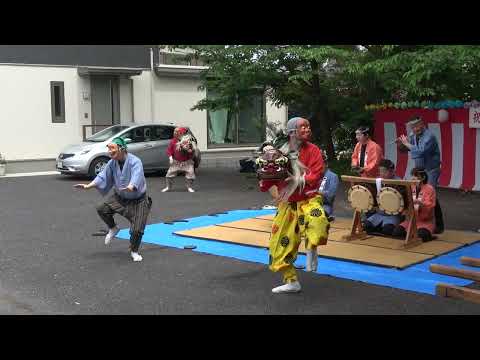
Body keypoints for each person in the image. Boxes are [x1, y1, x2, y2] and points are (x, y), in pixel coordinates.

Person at [259, 117, 330, 294]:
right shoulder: (281, 152)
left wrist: (298, 179)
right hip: (288, 203)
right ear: (292, 132)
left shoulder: (313, 150)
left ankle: (311, 248)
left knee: (317, 222)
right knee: (279, 245)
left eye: (308, 126)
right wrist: (265, 177)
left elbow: (317, 173)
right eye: (303, 127)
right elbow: (271, 176)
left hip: (308, 198)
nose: (307, 129)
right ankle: (291, 281)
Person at [74, 137, 152, 262]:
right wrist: (89, 186)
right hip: (120, 197)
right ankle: (113, 228)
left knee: (137, 230)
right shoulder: (112, 163)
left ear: (122, 149)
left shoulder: (135, 161)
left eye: (112, 148)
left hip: (139, 200)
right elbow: (102, 176)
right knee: (102, 208)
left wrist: (132, 186)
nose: (109, 151)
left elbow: (137, 175)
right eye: (108, 149)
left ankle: (134, 251)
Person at [396, 116, 444, 233]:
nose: (415, 129)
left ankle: (438, 224)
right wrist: (401, 144)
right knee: (416, 193)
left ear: (422, 124)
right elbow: (406, 149)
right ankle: (417, 220)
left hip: (431, 169)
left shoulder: (430, 137)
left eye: (417, 126)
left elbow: (421, 151)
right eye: (412, 127)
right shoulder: (413, 136)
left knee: (430, 193)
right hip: (420, 169)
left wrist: (407, 143)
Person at [392, 167, 436, 242]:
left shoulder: (430, 189)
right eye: (412, 176)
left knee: (422, 235)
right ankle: (410, 234)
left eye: (415, 176)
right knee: (396, 233)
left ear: (423, 177)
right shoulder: (411, 187)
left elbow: (430, 205)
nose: (413, 178)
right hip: (410, 220)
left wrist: (420, 203)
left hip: (424, 221)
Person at [363, 159, 403, 236]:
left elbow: (404, 202)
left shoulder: (399, 182)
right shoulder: (378, 181)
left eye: (384, 171)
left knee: (387, 230)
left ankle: (384, 227)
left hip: (393, 214)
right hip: (379, 214)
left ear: (391, 171)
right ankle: (378, 226)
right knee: (367, 226)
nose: (382, 174)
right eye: (380, 171)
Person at [162, 127, 199, 193]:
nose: (175, 133)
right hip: (176, 162)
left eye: (177, 132)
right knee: (169, 174)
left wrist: (190, 151)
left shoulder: (189, 141)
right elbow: (169, 150)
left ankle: (189, 187)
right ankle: (168, 187)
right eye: (175, 132)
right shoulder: (173, 141)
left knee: (191, 174)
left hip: (187, 162)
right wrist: (170, 158)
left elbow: (193, 150)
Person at [318, 153, 338, 221]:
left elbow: (331, 194)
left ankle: (328, 217)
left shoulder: (333, 176)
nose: (319, 166)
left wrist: (318, 192)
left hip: (325, 206)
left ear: (326, 164)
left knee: (317, 215)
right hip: (312, 204)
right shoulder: (316, 175)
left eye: (321, 164)